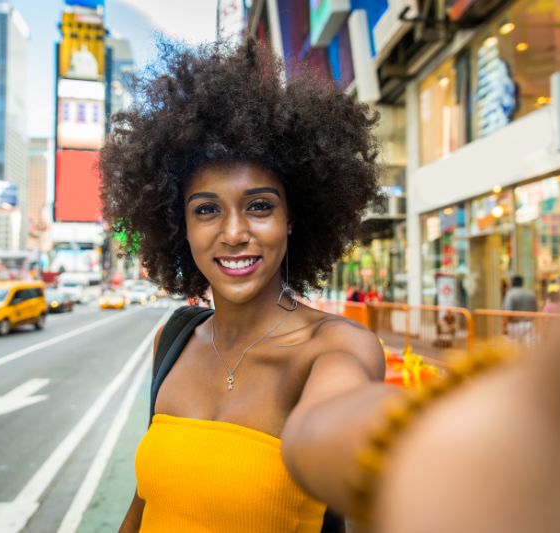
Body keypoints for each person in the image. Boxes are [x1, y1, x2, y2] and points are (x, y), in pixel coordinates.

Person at [103, 39, 385, 532]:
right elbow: (145, 505)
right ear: (180, 227)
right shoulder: (173, 340)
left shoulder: (336, 349)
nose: (234, 234)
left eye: (259, 206)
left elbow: (333, 434)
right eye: (207, 209)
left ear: (292, 217)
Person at [502, 274, 538, 343]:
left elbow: (507, 312)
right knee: (529, 347)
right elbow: (535, 310)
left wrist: (504, 325)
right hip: (529, 324)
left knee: (515, 348)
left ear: (512, 283)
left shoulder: (510, 294)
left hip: (514, 325)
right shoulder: (530, 293)